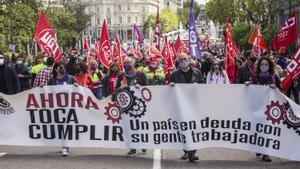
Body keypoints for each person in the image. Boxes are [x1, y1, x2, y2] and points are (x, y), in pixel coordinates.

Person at [169, 53, 204, 162]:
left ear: (189, 60)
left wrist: (199, 85)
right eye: (181, 60)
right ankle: (186, 151)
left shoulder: (197, 72)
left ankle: (192, 153)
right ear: (178, 62)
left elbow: (204, 84)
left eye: (185, 59)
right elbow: (168, 87)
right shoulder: (174, 74)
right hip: (181, 106)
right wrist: (170, 85)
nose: (183, 61)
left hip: (194, 105)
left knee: (193, 128)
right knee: (183, 129)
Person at [245, 57, 281, 162]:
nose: (264, 66)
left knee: (267, 131)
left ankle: (266, 153)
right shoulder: (255, 77)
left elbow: (281, 92)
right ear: (259, 66)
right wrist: (249, 84)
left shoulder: (274, 77)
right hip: (257, 108)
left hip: (269, 109)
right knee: (258, 130)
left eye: (266, 64)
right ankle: (259, 148)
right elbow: (252, 91)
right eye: (262, 64)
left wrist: (276, 88)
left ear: (269, 66)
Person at [115, 57, 148, 156]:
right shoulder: (121, 75)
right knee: (129, 126)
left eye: (128, 62)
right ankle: (132, 148)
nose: (126, 64)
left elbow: (148, 87)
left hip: (139, 105)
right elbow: (116, 89)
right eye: (124, 63)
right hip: (127, 105)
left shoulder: (140, 74)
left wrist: (140, 86)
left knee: (140, 125)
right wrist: (120, 88)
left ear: (133, 63)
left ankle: (143, 143)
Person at [48, 62, 75, 156]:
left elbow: (78, 89)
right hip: (56, 107)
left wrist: (76, 86)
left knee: (66, 126)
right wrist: (42, 88)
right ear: (55, 69)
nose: (62, 69)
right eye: (60, 67)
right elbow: (48, 91)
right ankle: (62, 144)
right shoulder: (52, 80)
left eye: (63, 67)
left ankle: (65, 147)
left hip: (68, 106)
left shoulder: (70, 78)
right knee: (59, 127)